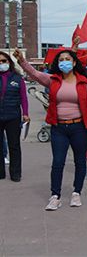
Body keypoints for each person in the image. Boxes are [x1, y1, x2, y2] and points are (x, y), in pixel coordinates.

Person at [15, 48, 87, 210]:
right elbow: (35, 74)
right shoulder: (53, 80)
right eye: (61, 60)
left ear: (74, 63)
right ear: (57, 64)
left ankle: (76, 193)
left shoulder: (84, 82)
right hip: (58, 128)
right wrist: (22, 61)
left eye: (67, 59)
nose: (64, 62)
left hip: (79, 127)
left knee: (80, 161)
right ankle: (55, 196)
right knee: (58, 162)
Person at [0, 51, 29, 182]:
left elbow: (24, 98)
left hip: (13, 116)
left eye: (4, 61)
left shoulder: (17, 78)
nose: (1, 64)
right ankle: (1, 172)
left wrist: (26, 113)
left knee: (14, 145)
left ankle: (15, 173)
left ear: (9, 63)